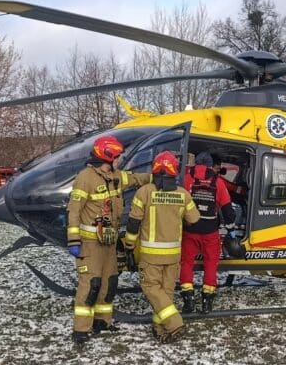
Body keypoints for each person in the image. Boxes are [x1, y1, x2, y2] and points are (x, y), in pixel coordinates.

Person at [66, 135, 150, 344]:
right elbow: (74, 211)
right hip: (90, 242)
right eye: (118, 157)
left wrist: (157, 176)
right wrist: (74, 240)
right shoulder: (85, 178)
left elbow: (135, 179)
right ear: (108, 156)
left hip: (109, 242)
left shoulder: (115, 176)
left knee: (109, 282)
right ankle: (81, 329)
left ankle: (102, 321)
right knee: (90, 283)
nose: (120, 161)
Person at [123, 151, 199, 341]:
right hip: (173, 255)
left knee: (151, 287)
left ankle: (174, 323)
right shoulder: (183, 194)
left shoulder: (144, 192)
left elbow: (133, 222)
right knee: (165, 292)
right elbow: (194, 220)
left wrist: (129, 244)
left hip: (151, 255)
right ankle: (160, 329)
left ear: (155, 169)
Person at [180, 152, 237, 314]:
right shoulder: (217, 182)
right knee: (211, 264)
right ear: (211, 166)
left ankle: (188, 300)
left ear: (196, 163)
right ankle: (207, 302)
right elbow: (228, 211)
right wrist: (231, 230)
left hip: (189, 230)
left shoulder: (186, 179)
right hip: (210, 232)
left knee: (186, 263)